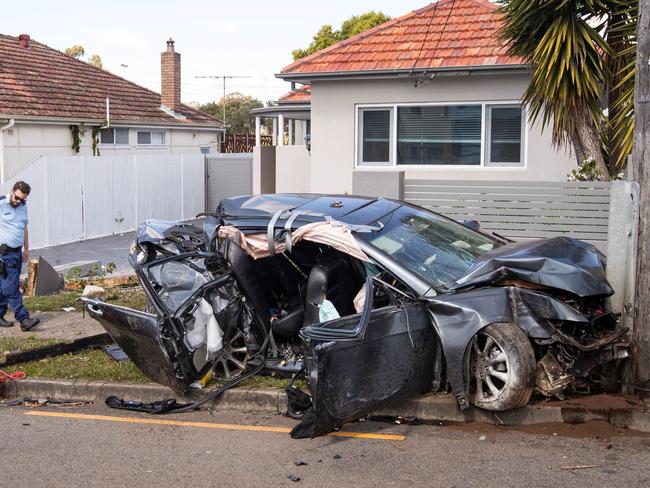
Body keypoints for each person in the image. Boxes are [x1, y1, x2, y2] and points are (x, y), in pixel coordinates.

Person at [0, 181, 39, 331]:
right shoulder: (2, 203)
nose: (18, 202)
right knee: (11, 287)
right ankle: (23, 319)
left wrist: (26, 249)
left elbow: (24, 228)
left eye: (22, 199)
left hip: (17, 252)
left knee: (4, 286)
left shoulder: (23, 207)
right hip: (4, 254)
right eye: (17, 198)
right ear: (12, 191)